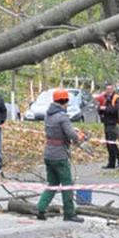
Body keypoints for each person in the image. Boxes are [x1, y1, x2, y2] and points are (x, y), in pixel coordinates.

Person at [35, 89, 85, 223]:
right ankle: (69, 213)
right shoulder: (63, 116)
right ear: (65, 101)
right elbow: (72, 135)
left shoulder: (48, 114)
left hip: (48, 153)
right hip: (60, 155)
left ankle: (40, 208)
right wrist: (78, 137)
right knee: (67, 184)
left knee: (52, 183)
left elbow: (58, 130)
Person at [97, 83, 119, 169]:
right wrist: (100, 110)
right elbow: (99, 109)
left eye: (110, 89)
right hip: (107, 123)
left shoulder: (117, 98)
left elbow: (117, 109)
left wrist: (105, 109)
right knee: (109, 144)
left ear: (112, 89)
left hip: (115, 123)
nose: (108, 91)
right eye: (107, 89)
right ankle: (111, 163)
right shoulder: (104, 98)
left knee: (112, 143)